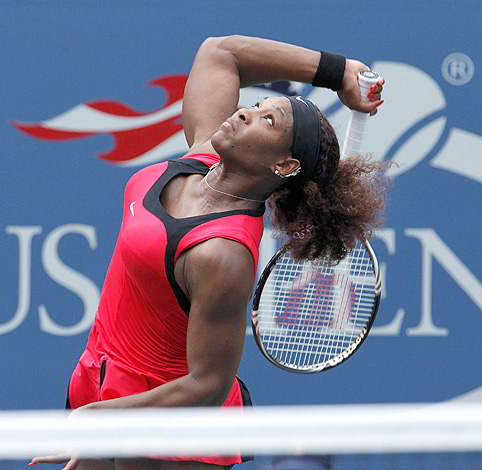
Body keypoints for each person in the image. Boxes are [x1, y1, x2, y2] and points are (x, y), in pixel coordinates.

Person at [30, 35, 388, 470]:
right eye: (255, 107)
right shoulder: (202, 156)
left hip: (167, 430)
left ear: (285, 167)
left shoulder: (222, 254)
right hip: (105, 380)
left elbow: (207, 386)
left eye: (267, 121)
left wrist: (99, 420)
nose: (245, 111)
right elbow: (222, 53)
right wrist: (339, 71)